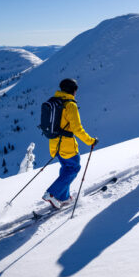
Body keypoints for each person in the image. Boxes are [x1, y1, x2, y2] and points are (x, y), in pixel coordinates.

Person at [42, 78, 98, 209]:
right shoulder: (70, 105)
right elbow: (77, 129)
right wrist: (91, 141)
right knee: (73, 168)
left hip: (54, 144)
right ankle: (52, 193)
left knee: (66, 169)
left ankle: (64, 197)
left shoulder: (55, 101)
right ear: (73, 90)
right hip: (67, 145)